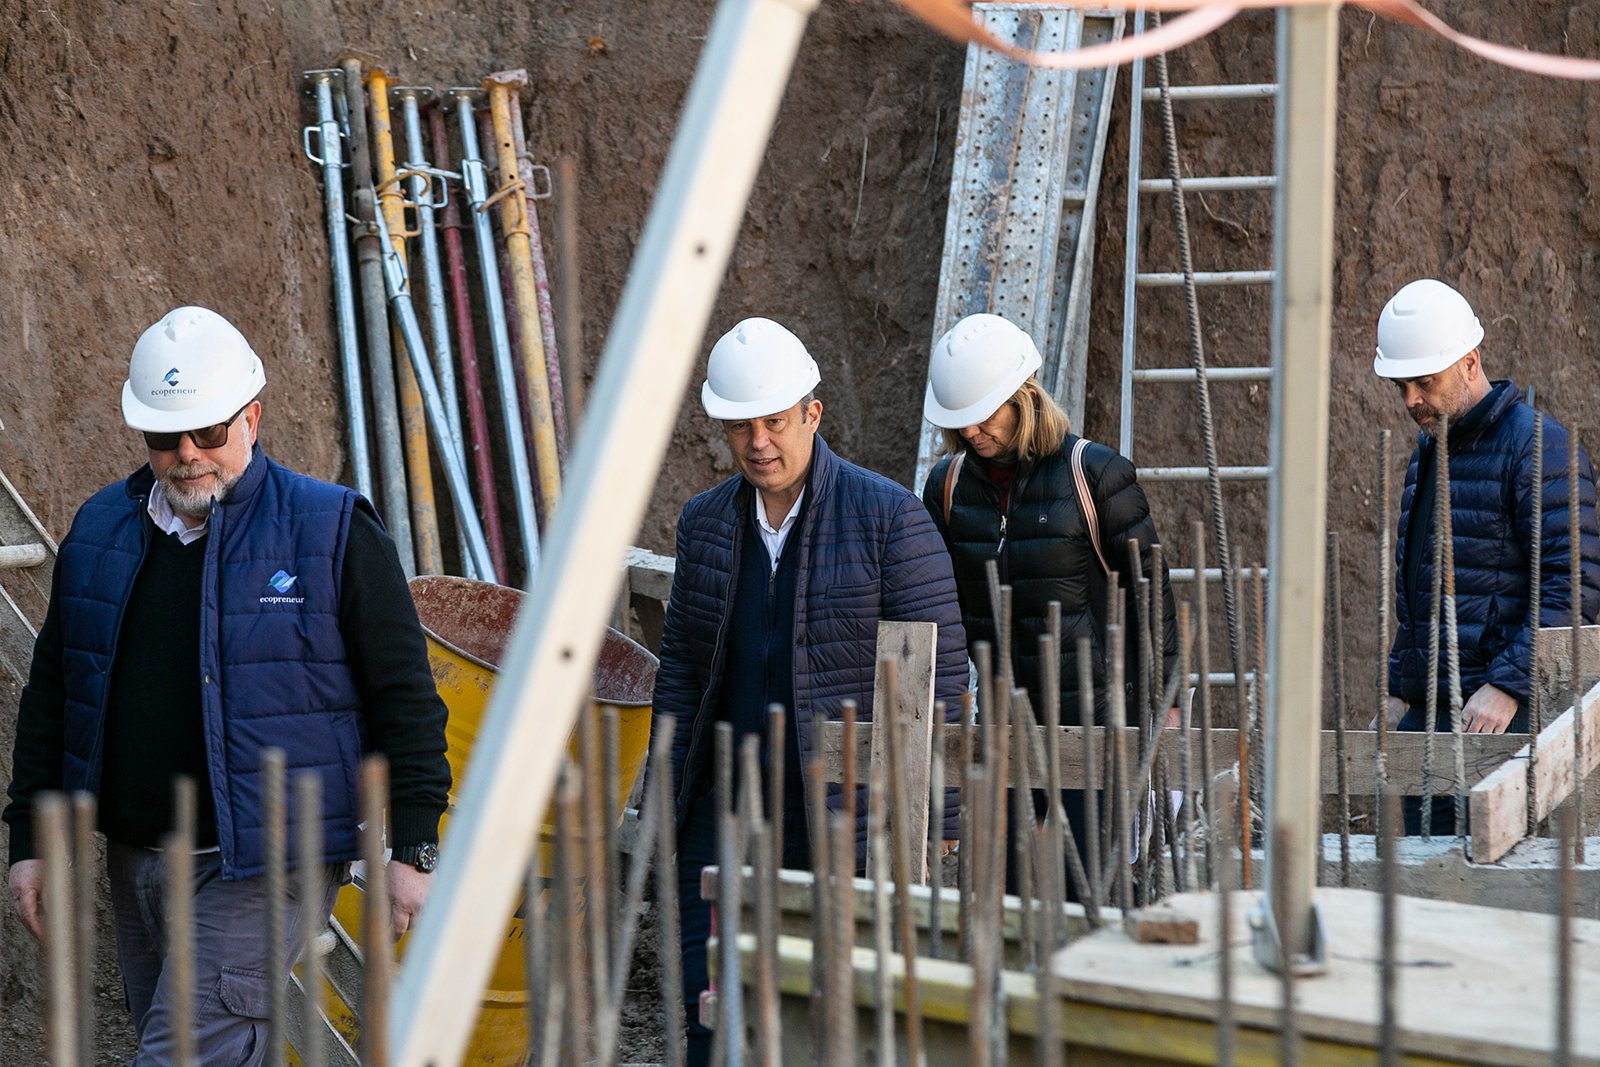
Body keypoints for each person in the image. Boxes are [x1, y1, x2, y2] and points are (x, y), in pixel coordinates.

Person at [4, 306, 451, 1065]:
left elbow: (405, 694)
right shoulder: (100, 530)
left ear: (252, 415)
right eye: (163, 437)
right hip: (137, 853)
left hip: (263, 862)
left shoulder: (331, 527)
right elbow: (57, 692)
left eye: (208, 432)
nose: (186, 454)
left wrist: (414, 846)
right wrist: (31, 838)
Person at [655, 316, 967, 1066]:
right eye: (740, 426)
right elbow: (682, 670)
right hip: (724, 805)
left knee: (825, 1012)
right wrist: (665, 791)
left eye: (775, 421)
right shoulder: (704, 523)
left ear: (812, 415)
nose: (759, 440)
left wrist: (944, 807)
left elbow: (942, 677)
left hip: (835, 809)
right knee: (711, 1002)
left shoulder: (888, 519)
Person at [921, 312, 1176, 899]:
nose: (974, 432)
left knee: (1081, 892)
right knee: (995, 894)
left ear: (1025, 398)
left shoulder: (1096, 474)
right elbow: (934, 604)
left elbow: (1151, 591)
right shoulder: (948, 485)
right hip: (1000, 728)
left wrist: (1161, 703)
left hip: (1090, 728)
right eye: (961, 422)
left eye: (986, 415)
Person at [1371, 278, 1600, 833]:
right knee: (1431, 884)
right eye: (1401, 386)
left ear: (1470, 363)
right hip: (1435, 713)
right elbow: (1418, 590)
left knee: (1491, 887)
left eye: (1425, 383)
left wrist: (1508, 685)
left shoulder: (1539, 449)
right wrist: (1402, 689)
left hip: (1499, 720)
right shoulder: (1428, 452)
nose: (1411, 401)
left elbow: (1576, 587)